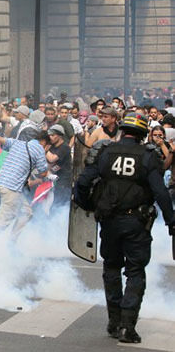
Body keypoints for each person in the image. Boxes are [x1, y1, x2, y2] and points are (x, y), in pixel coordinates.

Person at [74, 113, 175, 343]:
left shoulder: (105, 152)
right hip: (136, 223)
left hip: (109, 222)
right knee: (135, 271)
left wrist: (87, 205)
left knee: (111, 269)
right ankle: (127, 327)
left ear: (122, 130)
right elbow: (160, 192)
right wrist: (171, 220)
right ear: (141, 135)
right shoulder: (149, 156)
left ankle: (114, 322)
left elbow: (82, 182)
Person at [0, 121, 49, 239]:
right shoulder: (39, 149)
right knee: (2, 222)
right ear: (44, 142)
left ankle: (12, 243)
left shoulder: (17, 143)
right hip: (12, 188)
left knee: (26, 212)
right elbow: (43, 172)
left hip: (5, 185)